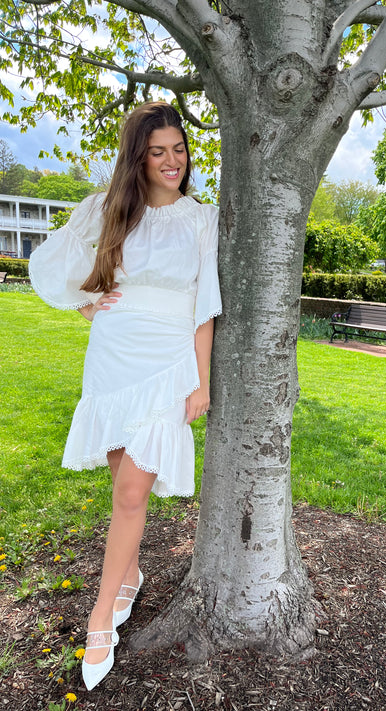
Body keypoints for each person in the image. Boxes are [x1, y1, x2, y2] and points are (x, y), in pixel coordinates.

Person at [29, 102, 222, 690]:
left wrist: (201, 380)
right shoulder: (110, 210)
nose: (171, 161)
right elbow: (54, 262)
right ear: (138, 157)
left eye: (179, 149)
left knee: (134, 488)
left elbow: (204, 306)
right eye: (157, 151)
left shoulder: (201, 219)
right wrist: (89, 307)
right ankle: (131, 578)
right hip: (112, 357)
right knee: (122, 486)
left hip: (167, 362)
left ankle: (100, 620)